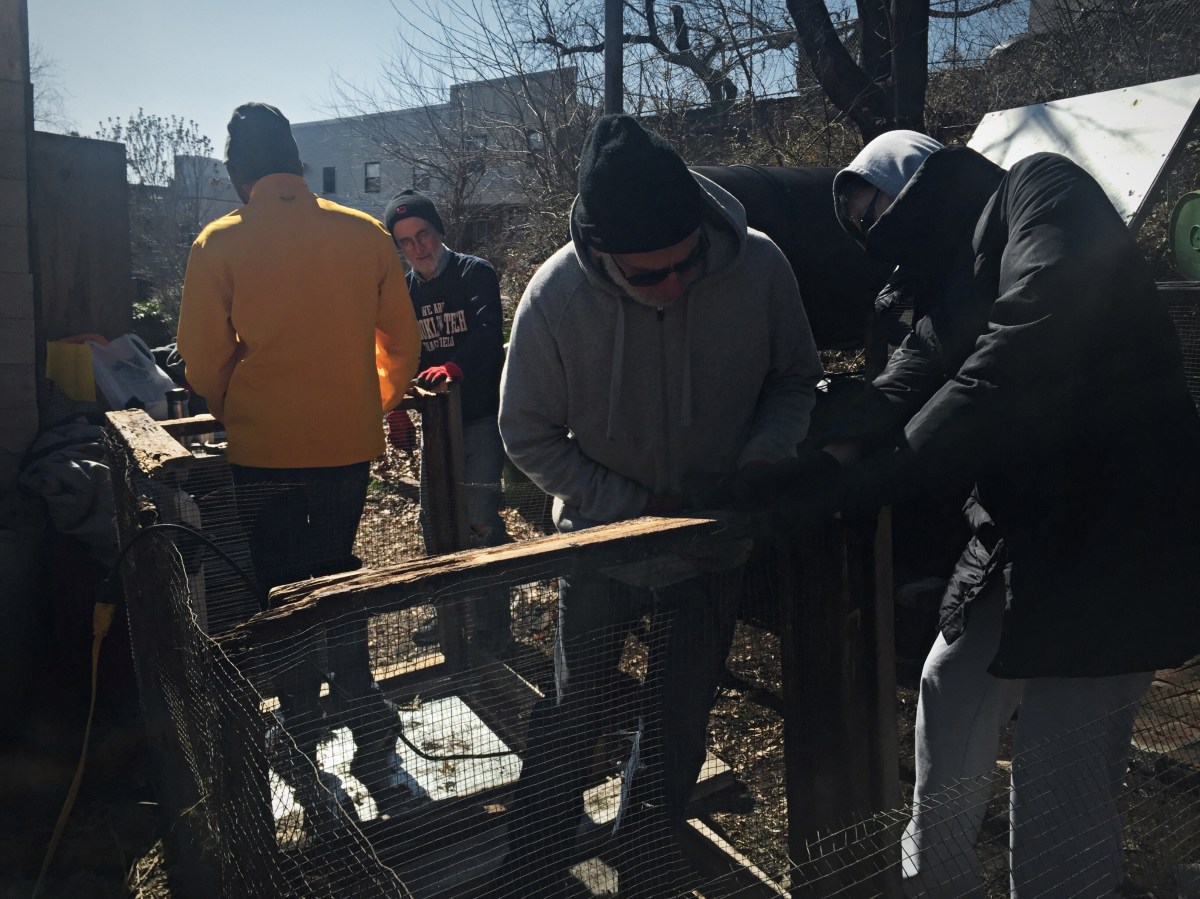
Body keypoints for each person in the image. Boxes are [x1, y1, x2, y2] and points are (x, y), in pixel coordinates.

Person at [731, 130, 1200, 898]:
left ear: (921, 179)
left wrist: (883, 475)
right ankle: (933, 885)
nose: (869, 233)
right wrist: (802, 461)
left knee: (1058, 777)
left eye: (874, 210)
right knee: (950, 687)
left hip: (1119, 541)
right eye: (857, 226)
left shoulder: (1042, 191)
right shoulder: (950, 284)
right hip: (1025, 536)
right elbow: (899, 388)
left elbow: (1021, 351)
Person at [496, 113, 822, 896]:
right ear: (600, 251)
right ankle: (533, 864)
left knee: (680, 715)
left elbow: (795, 379)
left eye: (687, 262)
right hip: (600, 543)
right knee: (576, 707)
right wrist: (636, 506)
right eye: (648, 276)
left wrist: (760, 461)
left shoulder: (761, 266)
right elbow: (524, 433)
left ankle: (643, 859)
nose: (672, 285)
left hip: (714, 542)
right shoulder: (554, 296)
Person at [177, 102, 421, 830]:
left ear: (237, 174)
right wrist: (372, 398)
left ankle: (300, 738)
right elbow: (402, 344)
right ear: (297, 164)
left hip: (263, 452)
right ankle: (371, 739)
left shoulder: (218, 242)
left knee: (282, 592)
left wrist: (235, 408)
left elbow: (200, 361)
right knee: (339, 574)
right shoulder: (363, 233)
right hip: (348, 448)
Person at [382, 189, 513, 652]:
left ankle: (494, 628)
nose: (417, 247)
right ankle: (449, 617)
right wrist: (395, 406)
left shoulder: (474, 272)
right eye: (405, 241)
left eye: (422, 234)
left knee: (479, 520)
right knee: (433, 520)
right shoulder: (402, 292)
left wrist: (454, 366)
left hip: (481, 418)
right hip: (436, 426)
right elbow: (395, 355)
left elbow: (488, 335)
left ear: (438, 231)